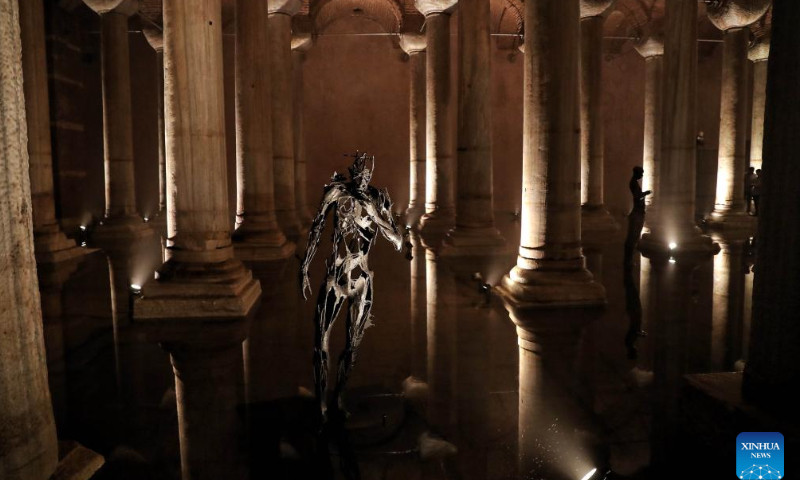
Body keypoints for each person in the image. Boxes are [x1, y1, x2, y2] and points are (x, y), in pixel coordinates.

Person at [300, 152, 412, 423]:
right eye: (360, 172)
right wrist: (304, 267)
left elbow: (393, 236)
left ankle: (338, 397)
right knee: (321, 342)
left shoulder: (375, 199)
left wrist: (402, 239)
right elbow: (316, 230)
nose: (364, 178)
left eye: (368, 174)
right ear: (353, 171)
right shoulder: (336, 193)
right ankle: (321, 406)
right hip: (336, 276)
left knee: (352, 345)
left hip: (361, 278)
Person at [624, 166, 651, 269]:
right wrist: (646, 193)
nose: (642, 175)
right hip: (637, 213)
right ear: (637, 173)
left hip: (638, 212)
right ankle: (628, 261)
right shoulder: (634, 183)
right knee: (632, 237)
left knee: (633, 237)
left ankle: (628, 260)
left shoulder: (634, 183)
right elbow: (637, 196)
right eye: (641, 173)